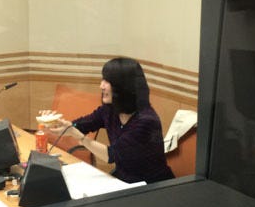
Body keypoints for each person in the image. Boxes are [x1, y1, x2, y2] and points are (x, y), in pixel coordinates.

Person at [46, 57, 174, 184]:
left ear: (123, 87)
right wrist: (57, 123)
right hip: (124, 181)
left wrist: (80, 137)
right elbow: (81, 124)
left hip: (151, 188)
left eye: (107, 81)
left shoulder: (146, 121)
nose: (101, 86)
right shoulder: (111, 109)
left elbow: (111, 155)